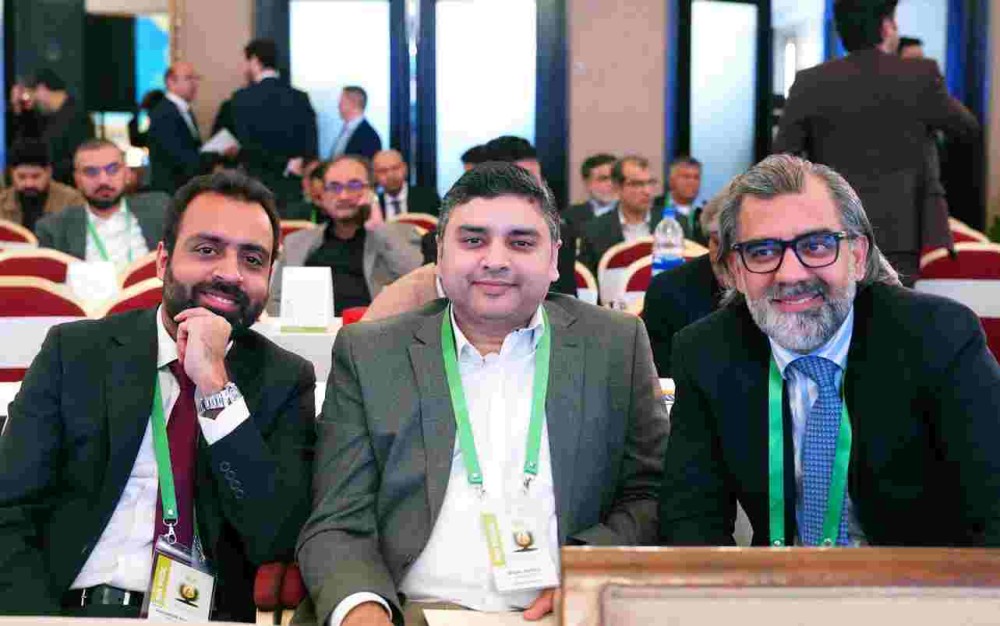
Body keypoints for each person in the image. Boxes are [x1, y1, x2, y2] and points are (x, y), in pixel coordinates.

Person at [296, 162, 667, 626]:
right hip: (410, 611)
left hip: (564, 611)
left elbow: (652, 493)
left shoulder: (615, 344)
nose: (495, 260)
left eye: (521, 242)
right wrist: (364, 609)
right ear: (440, 254)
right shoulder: (371, 353)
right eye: (473, 241)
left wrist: (588, 569)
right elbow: (336, 518)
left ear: (555, 258)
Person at [0, 170, 317, 619]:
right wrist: (34, 619)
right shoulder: (76, 353)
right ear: (162, 260)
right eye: (206, 250)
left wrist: (216, 389)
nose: (230, 273)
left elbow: (275, 538)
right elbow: (9, 510)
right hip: (71, 610)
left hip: (204, 617)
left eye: (252, 259)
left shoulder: (284, 378)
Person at [659, 154, 1000, 548]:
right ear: (736, 269)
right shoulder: (705, 352)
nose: (790, 274)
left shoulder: (938, 337)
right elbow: (691, 521)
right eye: (763, 252)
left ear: (857, 256)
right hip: (776, 582)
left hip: (918, 580)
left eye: (817, 246)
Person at [773, 0, 979, 282]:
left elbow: (783, 158)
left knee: (837, 303)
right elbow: (967, 128)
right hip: (904, 228)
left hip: (832, 224)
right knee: (895, 303)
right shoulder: (920, 75)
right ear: (886, 27)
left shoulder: (809, 81)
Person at [268, 155, 423, 316]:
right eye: (334, 187)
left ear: (371, 191)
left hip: (375, 328)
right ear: (323, 195)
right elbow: (275, 305)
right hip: (310, 330)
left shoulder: (400, 236)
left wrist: (377, 226)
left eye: (354, 185)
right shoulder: (297, 242)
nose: (343, 196)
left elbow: (421, 285)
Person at [35, 140, 170, 270]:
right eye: (91, 172)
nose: (103, 180)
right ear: (77, 180)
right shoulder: (54, 229)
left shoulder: (160, 208)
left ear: (127, 173)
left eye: (113, 169)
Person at [641, 188, 726, 377]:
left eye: (733, 244)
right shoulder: (667, 290)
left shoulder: (777, 286)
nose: (722, 255)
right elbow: (658, 377)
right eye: (716, 242)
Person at [231, 38, 318, 212]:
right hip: (292, 184)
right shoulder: (300, 97)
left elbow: (246, 144)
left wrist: (282, 163)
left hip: (255, 185)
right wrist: (293, 164)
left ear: (255, 61)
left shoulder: (242, 98)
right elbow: (311, 143)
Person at [9, 69, 94, 185]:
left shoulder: (78, 117)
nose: (33, 99)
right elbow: (25, 145)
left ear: (42, 89)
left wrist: (44, 173)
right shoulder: (48, 117)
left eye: (32, 93)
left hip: (68, 188)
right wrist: (17, 108)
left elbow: (79, 160)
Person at [579, 155, 663, 273]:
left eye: (650, 183)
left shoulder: (674, 223)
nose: (647, 191)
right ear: (617, 187)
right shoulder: (594, 231)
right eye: (637, 184)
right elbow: (588, 280)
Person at [0, 138, 84, 231]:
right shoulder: (2, 202)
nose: (29, 184)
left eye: (36, 176)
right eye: (22, 177)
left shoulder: (71, 201)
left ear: (49, 172)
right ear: (11, 174)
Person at [148, 62, 203, 194]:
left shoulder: (185, 110)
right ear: (171, 82)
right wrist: (213, 155)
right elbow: (179, 157)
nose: (194, 83)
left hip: (186, 189)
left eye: (196, 78)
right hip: (170, 192)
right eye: (188, 78)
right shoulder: (164, 113)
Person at [374, 149, 441, 218]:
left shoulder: (428, 197)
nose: (390, 175)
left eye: (395, 168)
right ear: (375, 175)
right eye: (383, 171)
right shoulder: (373, 205)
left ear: (405, 168)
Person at [653, 156, 705, 242]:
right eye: (686, 177)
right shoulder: (654, 205)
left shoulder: (707, 211)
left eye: (696, 177)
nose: (691, 182)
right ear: (671, 180)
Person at [564, 153, 618, 234]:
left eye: (615, 177)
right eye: (603, 179)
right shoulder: (568, 218)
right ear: (587, 183)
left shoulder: (634, 212)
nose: (611, 183)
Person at [329, 86, 381, 160]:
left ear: (353, 103)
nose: (338, 106)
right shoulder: (346, 130)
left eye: (341, 102)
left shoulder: (369, 136)